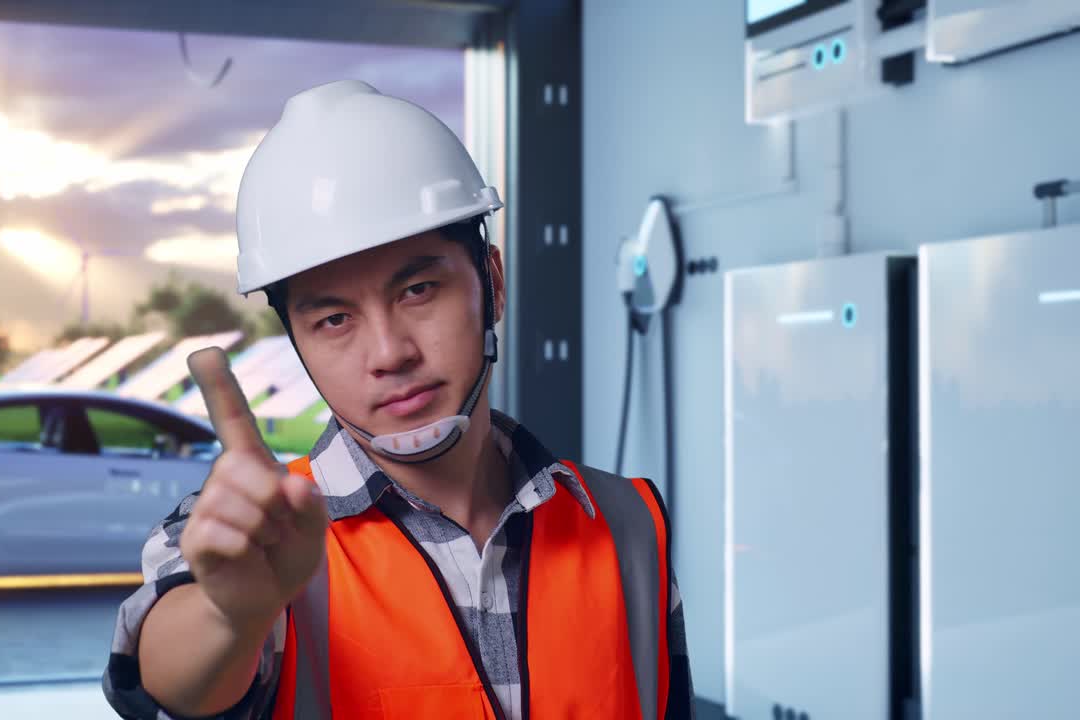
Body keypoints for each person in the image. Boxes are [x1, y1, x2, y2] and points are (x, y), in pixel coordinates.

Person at [102, 79, 694, 720]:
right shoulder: (256, 540)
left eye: (418, 290)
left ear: (492, 284)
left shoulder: (628, 522)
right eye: (334, 320)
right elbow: (170, 679)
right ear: (297, 339)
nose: (389, 353)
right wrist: (230, 618)